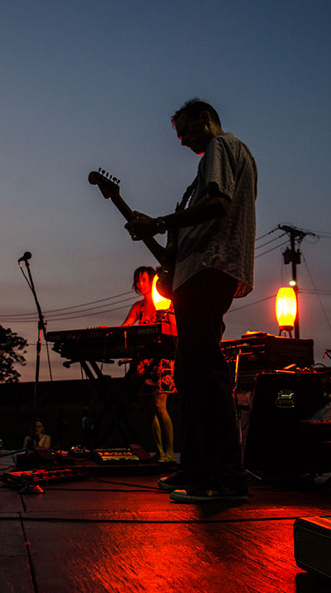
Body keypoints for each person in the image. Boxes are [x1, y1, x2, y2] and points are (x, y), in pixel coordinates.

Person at [125, 98, 257, 502]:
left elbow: (218, 203)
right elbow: (187, 234)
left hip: (208, 270)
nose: (181, 141)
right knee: (193, 375)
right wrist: (164, 238)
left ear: (206, 118)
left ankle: (227, 478)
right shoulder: (220, 160)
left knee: (205, 373)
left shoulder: (221, 147)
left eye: (185, 131)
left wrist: (160, 222)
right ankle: (199, 469)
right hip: (200, 272)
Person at [122, 265, 177, 465]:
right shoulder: (139, 307)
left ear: (153, 281)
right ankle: (160, 452)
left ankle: (170, 453)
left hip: (162, 359)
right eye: (138, 280)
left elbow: (173, 331)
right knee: (148, 409)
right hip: (144, 361)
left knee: (160, 405)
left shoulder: (166, 303)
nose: (139, 284)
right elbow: (126, 326)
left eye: (144, 279)